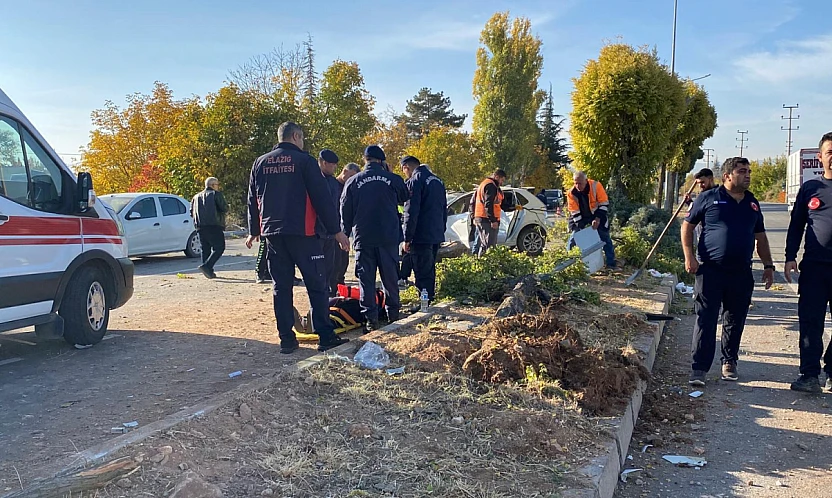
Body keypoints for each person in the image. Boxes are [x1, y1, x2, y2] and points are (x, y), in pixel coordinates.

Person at [245, 122, 350, 354]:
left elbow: (253, 198)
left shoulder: (260, 162)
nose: (303, 143)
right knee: (317, 285)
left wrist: (254, 230)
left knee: (281, 287)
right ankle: (325, 337)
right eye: (302, 139)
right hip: (303, 233)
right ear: (295, 136)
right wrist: (336, 230)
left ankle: (286, 340)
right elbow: (321, 197)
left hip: (273, 235)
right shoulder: (305, 161)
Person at [682, 157, 774, 386]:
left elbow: (761, 237)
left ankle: (729, 362)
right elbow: (687, 226)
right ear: (727, 176)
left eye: (749, 171)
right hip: (710, 270)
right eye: (742, 171)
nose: (747, 175)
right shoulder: (708, 198)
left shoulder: (752, 203)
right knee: (706, 319)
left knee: (735, 319)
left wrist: (768, 265)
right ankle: (699, 368)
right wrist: (689, 256)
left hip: (741, 272)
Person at [341, 145, 409, 331]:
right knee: (390, 278)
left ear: (365, 160)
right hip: (388, 237)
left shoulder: (353, 181)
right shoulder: (392, 179)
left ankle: (371, 320)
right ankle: (393, 315)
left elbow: (345, 210)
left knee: (366, 281)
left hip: (364, 237)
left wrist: (345, 234)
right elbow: (404, 197)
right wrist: (390, 175)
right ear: (382, 161)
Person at [786, 132, 832, 393]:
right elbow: (796, 225)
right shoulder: (810, 189)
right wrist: (790, 256)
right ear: (820, 157)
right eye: (830, 152)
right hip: (814, 267)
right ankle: (809, 375)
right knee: (810, 323)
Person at [400, 156, 447, 303]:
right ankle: (429, 300)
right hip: (435, 233)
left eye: (404, 170)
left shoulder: (415, 181)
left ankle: (425, 303)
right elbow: (444, 209)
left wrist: (407, 237)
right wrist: (441, 230)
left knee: (421, 273)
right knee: (429, 269)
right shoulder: (438, 181)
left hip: (420, 235)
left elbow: (411, 212)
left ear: (406, 167)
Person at [567, 171, 617, 269]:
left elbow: (604, 203)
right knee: (574, 238)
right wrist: (581, 226)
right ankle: (570, 263)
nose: (577, 186)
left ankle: (611, 263)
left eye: (580, 183)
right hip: (580, 217)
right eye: (575, 183)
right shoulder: (571, 193)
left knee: (604, 236)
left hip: (597, 215)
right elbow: (574, 211)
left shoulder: (596, 186)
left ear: (586, 181)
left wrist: (597, 219)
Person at [317, 149, 344, 297]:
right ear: (323, 163)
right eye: (332, 165)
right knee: (317, 269)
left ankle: (328, 295)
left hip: (331, 232)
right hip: (316, 232)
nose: (335, 168)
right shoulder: (313, 179)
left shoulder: (333, 182)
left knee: (331, 267)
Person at [191, 177, 228, 279]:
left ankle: (209, 272)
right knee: (219, 247)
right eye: (217, 185)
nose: (218, 187)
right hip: (214, 225)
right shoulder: (216, 194)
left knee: (205, 249)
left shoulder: (195, 197)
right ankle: (207, 266)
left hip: (200, 226)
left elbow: (191, 212)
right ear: (212, 185)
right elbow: (224, 208)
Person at [472, 169, 513, 256]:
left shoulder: (486, 184)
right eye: (501, 180)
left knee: (484, 244)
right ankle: (486, 262)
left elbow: (501, 204)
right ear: (496, 177)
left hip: (482, 217)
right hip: (486, 219)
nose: (502, 183)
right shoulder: (491, 186)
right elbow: (488, 204)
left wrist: (514, 207)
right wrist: (493, 220)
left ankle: (481, 261)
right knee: (489, 246)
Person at [333, 163, 361, 289]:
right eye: (350, 176)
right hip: (331, 228)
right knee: (334, 259)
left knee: (343, 258)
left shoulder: (350, 187)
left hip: (344, 228)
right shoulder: (332, 184)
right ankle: (333, 284)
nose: (352, 180)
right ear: (344, 171)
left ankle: (340, 280)